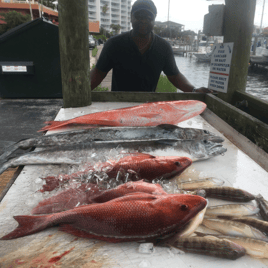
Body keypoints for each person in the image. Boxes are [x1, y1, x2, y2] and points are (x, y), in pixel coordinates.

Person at [90, 0, 212, 93]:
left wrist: (194, 90)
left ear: (154, 20)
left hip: (149, 107)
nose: (144, 21)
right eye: (139, 16)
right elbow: (98, 73)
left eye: (149, 17)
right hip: (118, 106)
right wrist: (78, 91)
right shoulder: (114, 44)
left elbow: (174, 76)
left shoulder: (163, 47)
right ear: (131, 17)